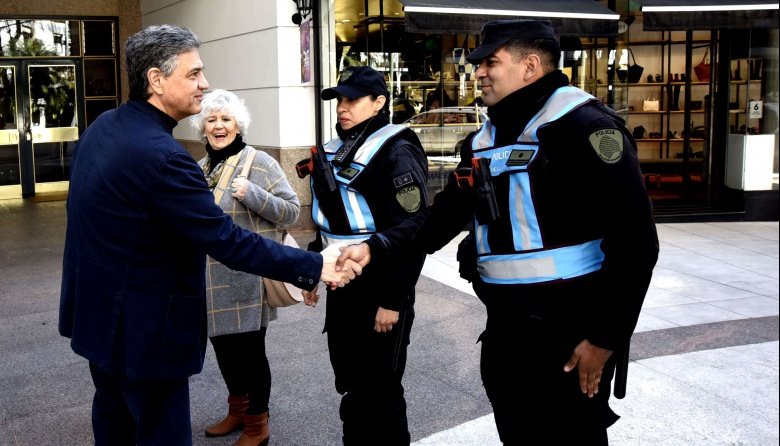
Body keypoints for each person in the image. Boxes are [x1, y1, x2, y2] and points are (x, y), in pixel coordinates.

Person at [336, 19, 659, 445]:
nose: (479, 72)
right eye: (479, 63)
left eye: (491, 62)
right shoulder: (484, 138)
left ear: (529, 66)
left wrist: (603, 340)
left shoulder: (585, 127)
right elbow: (443, 216)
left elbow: (636, 244)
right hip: (506, 332)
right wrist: (375, 247)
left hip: (569, 335)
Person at [58, 24, 359, 446]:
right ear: (157, 80)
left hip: (98, 318)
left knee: (115, 425)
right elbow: (226, 239)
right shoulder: (163, 157)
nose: (205, 83)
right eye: (194, 73)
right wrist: (316, 265)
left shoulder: (104, 127)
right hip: (143, 334)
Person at [298, 65, 429, 445]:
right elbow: (331, 219)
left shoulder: (396, 150)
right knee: (353, 384)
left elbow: (413, 233)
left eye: (353, 99)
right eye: (339, 99)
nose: (342, 107)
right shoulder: (337, 148)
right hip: (341, 283)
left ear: (379, 103)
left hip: (382, 287)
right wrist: (312, 268)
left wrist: (393, 300)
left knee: (381, 391)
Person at [189, 88, 299, 445]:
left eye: (226, 119)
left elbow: (292, 210)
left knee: (250, 355)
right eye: (211, 120)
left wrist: (251, 193)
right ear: (202, 128)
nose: (219, 126)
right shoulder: (202, 167)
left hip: (246, 278)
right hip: (208, 278)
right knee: (224, 351)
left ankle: (257, 425)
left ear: (238, 125)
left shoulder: (258, 162)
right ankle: (238, 410)